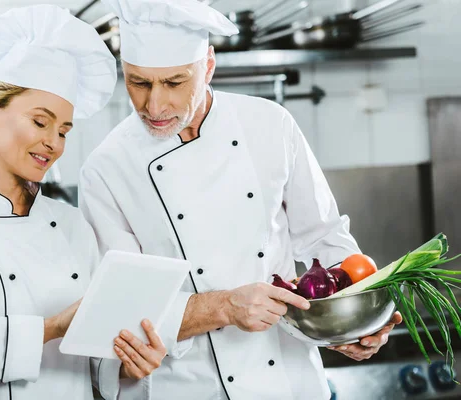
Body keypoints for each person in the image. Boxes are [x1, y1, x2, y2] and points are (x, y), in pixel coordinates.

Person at [78, 0, 402, 399]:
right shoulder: (106, 169)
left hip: (286, 381)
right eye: (138, 83)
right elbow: (121, 308)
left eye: (175, 83)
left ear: (208, 66)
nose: (155, 105)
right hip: (185, 387)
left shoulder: (269, 124)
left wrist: (352, 321)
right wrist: (224, 308)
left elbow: (325, 237)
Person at [0, 5, 166, 400]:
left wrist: (126, 364)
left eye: (64, 130)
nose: (54, 142)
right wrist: (52, 327)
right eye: (40, 122)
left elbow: (92, 361)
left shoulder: (72, 224)